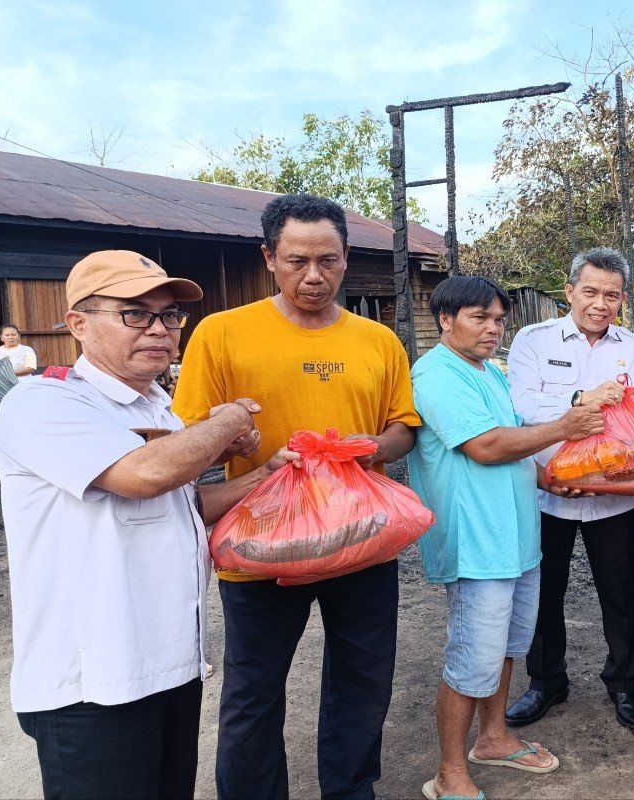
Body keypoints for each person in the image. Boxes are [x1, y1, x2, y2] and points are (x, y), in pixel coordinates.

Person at [0, 250, 273, 799]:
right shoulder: (44, 402)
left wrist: (266, 474)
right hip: (92, 685)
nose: (159, 329)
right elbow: (144, 476)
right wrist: (227, 422)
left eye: (169, 315)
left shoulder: (157, 408)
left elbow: (180, 506)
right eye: (135, 314)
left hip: (171, 667)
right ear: (78, 323)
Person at [172, 194, 420, 800]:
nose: (314, 276)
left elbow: (404, 426)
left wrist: (370, 449)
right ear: (269, 258)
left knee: (363, 681)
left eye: (328, 261)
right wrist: (232, 434)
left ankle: (350, 788)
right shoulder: (222, 333)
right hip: (262, 545)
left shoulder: (378, 341)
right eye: (297, 260)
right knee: (253, 689)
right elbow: (186, 440)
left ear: (347, 258)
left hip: (360, 539)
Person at [408, 275, 604, 800]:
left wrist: (553, 478)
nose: (494, 329)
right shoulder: (434, 375)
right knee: (472, 657)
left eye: (499, 319)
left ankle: (493, 738)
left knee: (508, 647)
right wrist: (567, 427)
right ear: (445, 320)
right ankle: (449, 773)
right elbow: (487, 446)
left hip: (517, 537)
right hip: (476, 543)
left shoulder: (489, 373)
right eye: (481, 318)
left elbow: (515, 441)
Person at [504, 247, 634, 731]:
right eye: (590, 291)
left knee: (620, 591)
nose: (600, 303)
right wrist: (579, 400)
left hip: (613, 494)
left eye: (611, 295)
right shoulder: (533, 339)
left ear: (622, 299)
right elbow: (522, 403)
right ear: (569, 291)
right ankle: (546, 681)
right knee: (543, 592)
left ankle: (625, 683)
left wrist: (619, 473)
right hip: (547, 490)